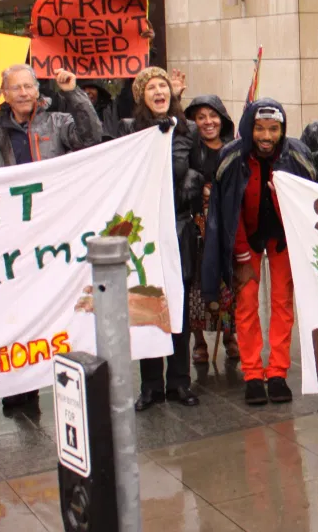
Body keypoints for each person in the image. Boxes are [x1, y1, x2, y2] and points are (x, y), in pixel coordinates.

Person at [0, 64, 101, 408]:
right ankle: (22, 384)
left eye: (28, 86)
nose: (22, 93)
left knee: (65, 301)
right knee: (20, 307)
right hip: (17, 233)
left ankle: (76, 373)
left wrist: (72, 93)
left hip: (59, 228)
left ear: (37, 89)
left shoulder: (59, 122)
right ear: (4, 94)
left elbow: (91, 136)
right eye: (15, 88)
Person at [201, 99, 318, 406]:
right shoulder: (231, 156)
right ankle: (253, 373)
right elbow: (227, 210)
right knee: (247, 304)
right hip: (245, 238)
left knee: (282, 303)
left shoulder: (297, 154)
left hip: (283, 237)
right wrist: (239, 253)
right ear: (249, 128)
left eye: (273, 129)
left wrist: (281, 197)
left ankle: (277, 372)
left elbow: (308, 202)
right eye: (260, 129)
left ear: (282, 129)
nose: (266, 136)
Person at [121, 68, 203, 411]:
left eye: (163, 86)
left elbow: (201, 168)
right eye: (151, 87)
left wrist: (191, 185)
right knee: (147, 304)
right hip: (145, 232)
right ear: (142, 96)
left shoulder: (189, 130)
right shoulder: (130, 130)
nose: (159, 91)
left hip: (180, 229)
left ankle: (180, 382)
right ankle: (151, 385)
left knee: (178, 307)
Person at [185, 94, 236, 364]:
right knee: (196, 287)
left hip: (226, 227)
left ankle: (229, 336)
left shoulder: (233, 148)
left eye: (212, 115)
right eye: (201, 117)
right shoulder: (189, 150)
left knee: (227, 286)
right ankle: (199, 342)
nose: (208, 122)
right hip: (198, 229)